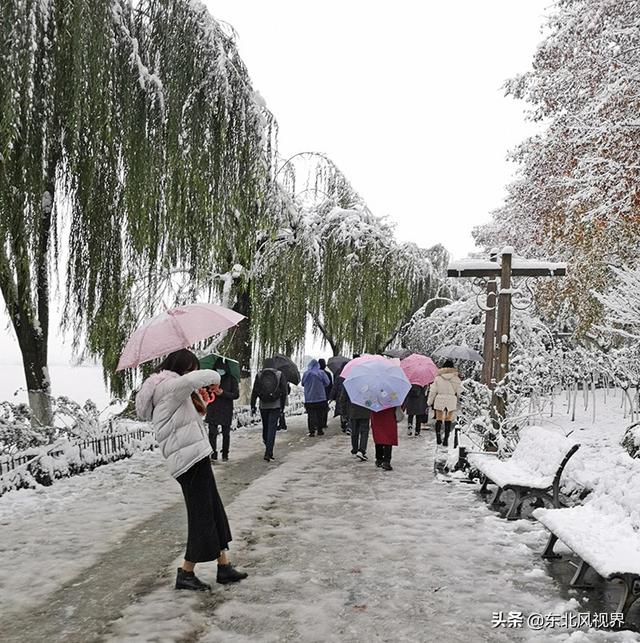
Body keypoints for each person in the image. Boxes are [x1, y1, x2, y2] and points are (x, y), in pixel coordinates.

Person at [136, 349, 247, 591]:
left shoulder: (170, 389)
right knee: (202, 514)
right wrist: (214, 376)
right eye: (191, 367)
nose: (194, 372)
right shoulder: (167, 385)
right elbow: (191, 381)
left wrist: (206, 396)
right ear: (182, 367)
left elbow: (190, 415)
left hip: (195, 456)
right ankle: (186, 572)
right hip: (188, 461)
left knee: (213, 508)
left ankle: (223, 566)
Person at [251, 361, 288, 461]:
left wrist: (252, 406)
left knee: (266, 427)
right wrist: (282, 407)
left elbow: (254, 391)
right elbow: (284, 391)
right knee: (272, 429)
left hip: (263, 405)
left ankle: (266, 442)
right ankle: (269, 452)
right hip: (275, 406)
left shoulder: (259, 375)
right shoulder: (279, 374)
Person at [205, 357, 240, 461]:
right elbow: (204, 391)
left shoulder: (232, 379)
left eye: (222, 369)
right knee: (212, 432)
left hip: (226, 409)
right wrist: (210, 390)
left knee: (226, 433)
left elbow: (236, 395)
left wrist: (223, 393)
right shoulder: (210, 379)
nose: (220, 371)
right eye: (218, 369)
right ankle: (213, 453)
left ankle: (225, 453)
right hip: (213, 409)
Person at [427, 360, 462, 446]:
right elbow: (460, 391)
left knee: (439, 420)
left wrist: (429, 402)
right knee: (448, 420)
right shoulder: (456, 379)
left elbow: (433, 391)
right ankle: (446, 439)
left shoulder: (438, 378)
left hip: (440, 400)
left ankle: (438, 437)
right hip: (451, 401)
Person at [339, 383, 371, 460]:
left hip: (352, 410)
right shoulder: (368, 383)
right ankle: (362, 450)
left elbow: (342, 398)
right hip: (365, 410)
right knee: (364, 431)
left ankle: (355, 449)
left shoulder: (349, 383)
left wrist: (344, 413)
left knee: (354, 431)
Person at [301, 359, 331, 436]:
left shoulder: (306, 374)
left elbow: (303, 383)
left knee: (311, 415)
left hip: (309, 398)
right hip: (320, 397)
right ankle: (320, 430)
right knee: (320, 415)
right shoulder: (321, 373)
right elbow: (327, 383)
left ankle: (312, 431)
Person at [317, 358, 333, 432]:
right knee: (324, 409)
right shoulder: (328, 374)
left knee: (318, 410)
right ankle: (324, 423)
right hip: (325, 394)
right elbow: (330, 385)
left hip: (317, 395)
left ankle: (317, 423)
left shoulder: (316, 374)